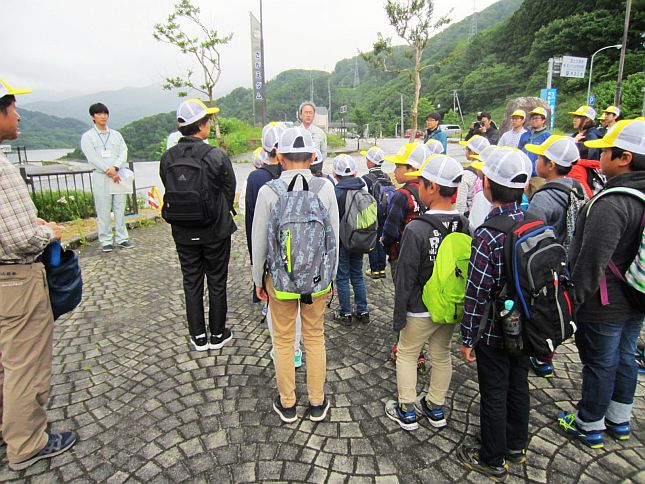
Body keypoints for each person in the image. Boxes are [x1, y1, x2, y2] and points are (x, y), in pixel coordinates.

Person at [0, 79, 77, 471]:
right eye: (12, 107)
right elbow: (18, 238)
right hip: (14, 279)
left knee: (4, 361)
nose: (18, 115)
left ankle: (8, 429)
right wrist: (50, 232)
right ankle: (27, 442)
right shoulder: (0, 166)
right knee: (24, 364)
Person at [557, 119, 645, 449]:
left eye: (605, 151)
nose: (600, 156)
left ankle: (589, 423)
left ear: (624, 158)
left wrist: (570, 305)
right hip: (638, 295)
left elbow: (590, 262)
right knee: (624, 357)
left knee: (599, 363)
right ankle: (619, 420)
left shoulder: (613, 203)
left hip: (605, 303)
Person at [253, 127, 339, 423]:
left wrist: (257, 281)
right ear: (314, 156)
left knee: (284, 339)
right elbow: (334, 240)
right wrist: (331, 279)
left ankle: (287, 403)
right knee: (315, 338)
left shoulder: (268, 191)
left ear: (279, 156)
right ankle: (317, 402)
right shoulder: (325, 188)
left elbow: (259, 243)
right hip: (317, 281)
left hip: (279, 281)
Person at [457, 148, 531, 482]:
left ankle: (492, 458)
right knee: (519, 383)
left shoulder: (487, 235)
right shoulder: (534, 221)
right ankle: (516, 445)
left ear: (487, 186)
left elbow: (476, 293)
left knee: (494, 390)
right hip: (527, 323)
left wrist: (468, 337)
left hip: (495, 330)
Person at [384, 154, 466, 432]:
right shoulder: (465, 224)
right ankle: (435, 406)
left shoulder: (417, 228)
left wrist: (398, 317)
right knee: (441, 354)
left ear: (431, 188)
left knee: (407, 353)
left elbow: (405, 277)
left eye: (420, 182)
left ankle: (407, 409)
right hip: (449, 307)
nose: (417, 186)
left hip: (419, 308)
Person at [159, 98, 236, 352]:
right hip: (215, 231)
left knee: (191, 281)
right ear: (201, 126)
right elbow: (228, 190)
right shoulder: (216, 155)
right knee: (216, 280)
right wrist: (216, 211)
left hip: (182, 231)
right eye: (207, 120)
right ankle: (217, 334)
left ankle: (198, 336)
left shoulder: (167, 158)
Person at [524, 135, 587, 377]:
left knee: (541, 309)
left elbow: (529, 235)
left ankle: (540, 354)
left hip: (544, 265)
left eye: (540, 157)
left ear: (550, 165)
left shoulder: (545, 197)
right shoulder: (577, 188)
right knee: (557, 307)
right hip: (567, 261)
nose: (536, 161)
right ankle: (546, 356)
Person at [80, 103, 134, 252]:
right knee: (103, 208)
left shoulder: (116, 135)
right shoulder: (88, 137)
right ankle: (106, 240)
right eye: (99, 114)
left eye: (105, 113)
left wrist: (115, 167)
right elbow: (92, 157)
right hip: (101, 176)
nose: (103, 116)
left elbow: (123, 151)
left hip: (118, 174)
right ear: (93, 117)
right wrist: (107, 170)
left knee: (119, 207)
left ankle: (122, 238)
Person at [332, 154, 370, 326]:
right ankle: (363, 310)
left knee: (341, 277)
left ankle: (345, 313)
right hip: (360, 239)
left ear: (334, 174)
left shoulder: (336, 192)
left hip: (342, 242)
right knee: (357, 274)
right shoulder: (363, 189)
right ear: (355, 173)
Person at [361, 146, 389, 279]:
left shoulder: (366, 178)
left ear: (371, 162)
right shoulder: (386, 176)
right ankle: (382, 268)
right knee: (381, 239)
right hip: (386, 213)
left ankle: (374, 269)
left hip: (372, 214)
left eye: (367, 159)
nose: (366, 161)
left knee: (373, 240)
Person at [518, 107, 552, 194]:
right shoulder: (525, 135)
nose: (534, 120)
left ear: (543, 120)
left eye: (537, 118)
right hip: (523, 175)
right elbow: (519, 152)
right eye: (532, 118)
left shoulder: (548, 137)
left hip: (538, 176)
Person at [456, 135, 490, 216]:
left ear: (473, 152)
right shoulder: (489, 170)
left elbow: (460, 203)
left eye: (467, 149)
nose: (465, 151)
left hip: (471, 215)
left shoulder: (466, 174)